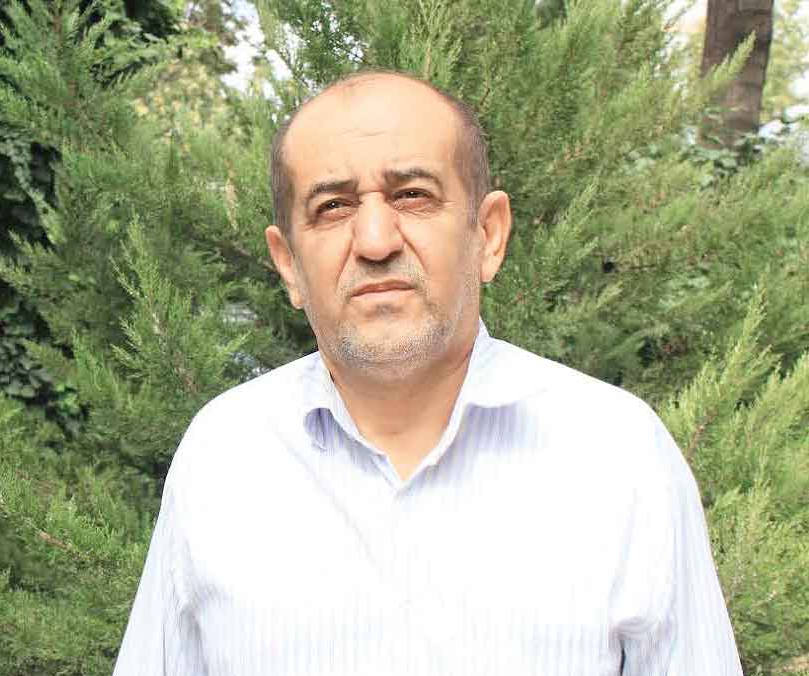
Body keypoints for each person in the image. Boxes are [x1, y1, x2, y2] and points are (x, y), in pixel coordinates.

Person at [112, 71, 742, 675]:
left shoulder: (619, 454)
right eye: (333, 206)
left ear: (488, 235)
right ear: (289, 265)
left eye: (412, 195)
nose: (375, 240)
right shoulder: (223, 457)